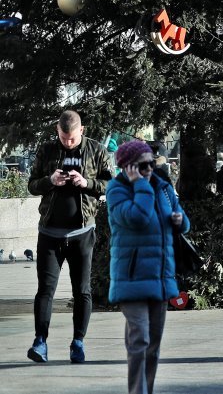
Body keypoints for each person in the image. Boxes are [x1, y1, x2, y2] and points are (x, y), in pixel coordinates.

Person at [26, 110, 114, 363]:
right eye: (64, 138)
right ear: (58, 130)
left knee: (82, 291)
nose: (68, 143)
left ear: (81, 130)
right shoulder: (47, 150)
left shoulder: (97, 151)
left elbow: (112, 184)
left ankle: (78, 342)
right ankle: (40, 342)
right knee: (45, 291)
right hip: (50, 233)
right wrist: (50, 180)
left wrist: (86, 183)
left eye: (72, 139)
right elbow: (32, 185)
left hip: (82, 233)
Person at [106, 140, 190, 394]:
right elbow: (137, 218)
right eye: (143, 166)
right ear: (128, 167)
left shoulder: (162, 187)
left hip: (160, 275)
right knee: (139, 339)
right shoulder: (117, 190)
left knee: (153, 344)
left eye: (152, 164)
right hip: (131, 278)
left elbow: (182, 219)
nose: (150, 170)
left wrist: (180, 220)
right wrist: (140, 185)